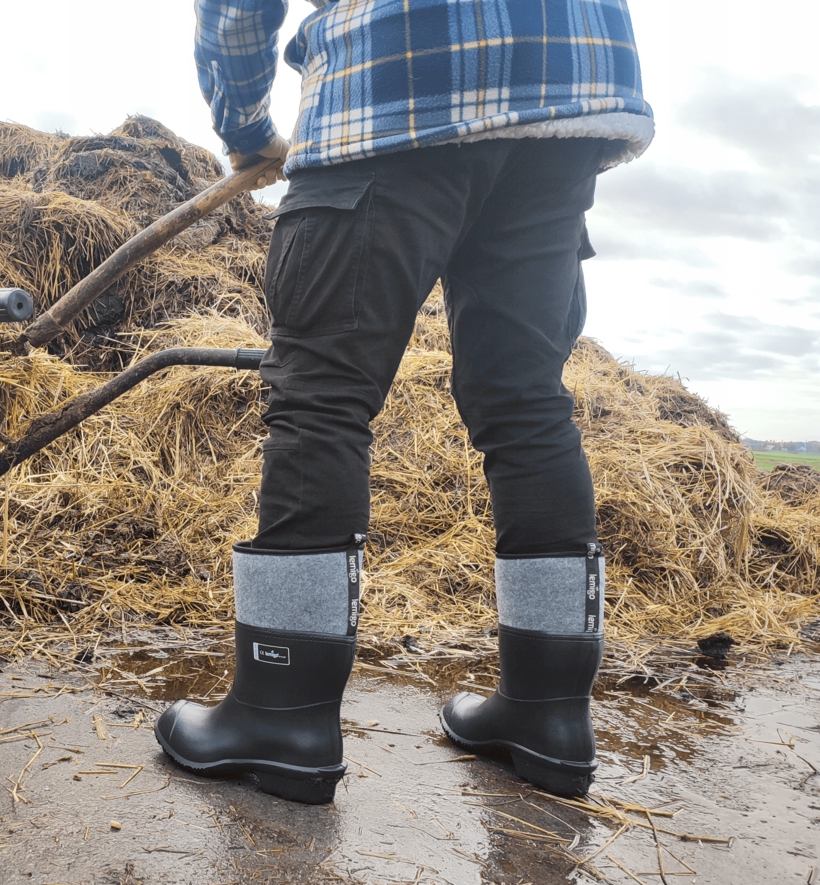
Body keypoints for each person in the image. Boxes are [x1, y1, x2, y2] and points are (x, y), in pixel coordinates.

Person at [155, 0, 653, 804]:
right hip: (570, 100)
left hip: (395, 85)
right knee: (527, 403)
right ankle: (548, 713)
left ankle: (283, 710)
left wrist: (245, 128)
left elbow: (237, 11)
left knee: (322, 395)